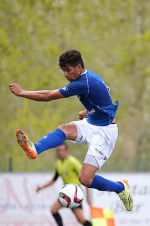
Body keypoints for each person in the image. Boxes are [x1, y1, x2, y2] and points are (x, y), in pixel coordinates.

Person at [9, 49, 133, 212]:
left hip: (105, 134)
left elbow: (48, 95)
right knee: (64, 129)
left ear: (79, 68)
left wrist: (22, 92)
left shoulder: (83, 83)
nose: (65, 74)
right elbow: (105, 97)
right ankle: (35, 149)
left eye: (67, 70)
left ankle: (120, 188)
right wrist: (88, 110)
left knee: (85, 179)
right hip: (92, 123)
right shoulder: (89, 78)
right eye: (63, 71)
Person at [36, 143, 109, 226]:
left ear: (66, 150)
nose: (59, 152)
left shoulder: (73, 162)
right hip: (67, 194)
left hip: (75, 194)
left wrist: (88, 196)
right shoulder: (58, 164)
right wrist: (41, 187)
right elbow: (53, 179)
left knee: (57, 211)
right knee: (80, 220)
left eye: (61, 150)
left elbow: (86, 177)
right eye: (57, 150)